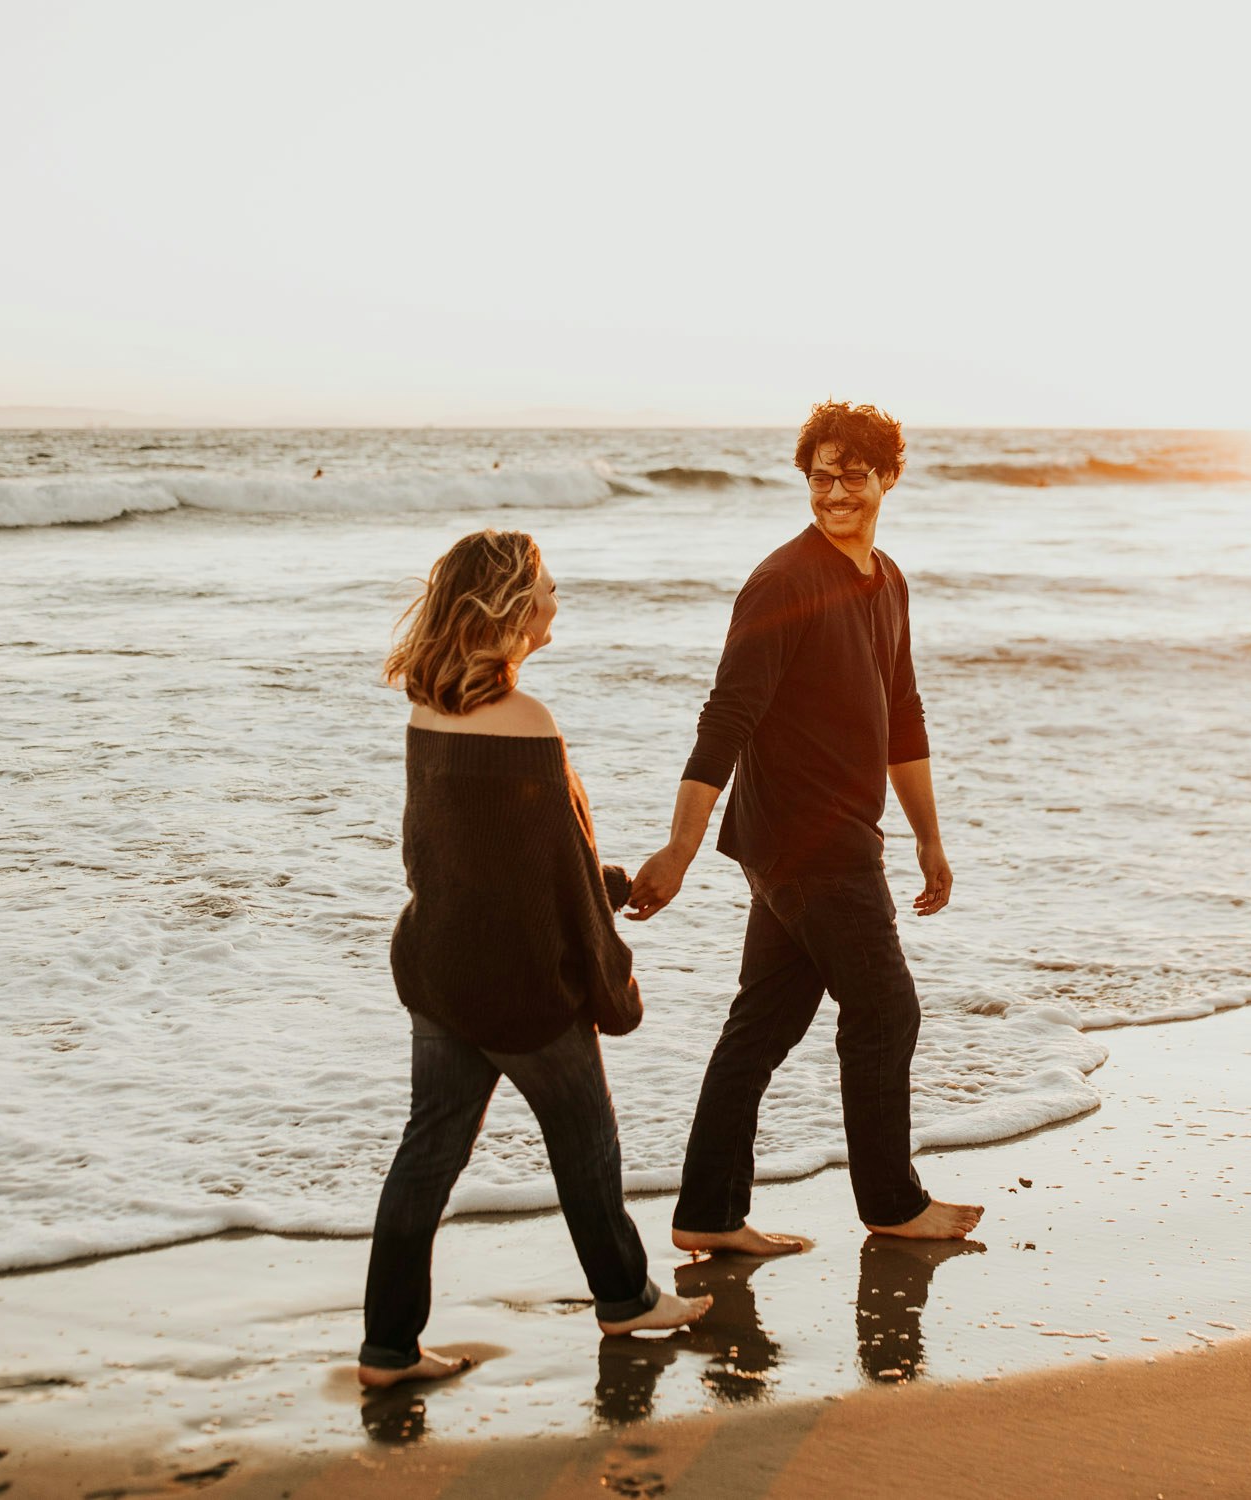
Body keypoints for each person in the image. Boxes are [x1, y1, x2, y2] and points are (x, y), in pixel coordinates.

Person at [359, 528, 712, 1390]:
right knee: (587, 1147)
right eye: (547, 587)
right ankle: (626, 1299)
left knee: (427, 1155)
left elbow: (458, 856)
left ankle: (387, 1348)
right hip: (520, 986)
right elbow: (558, 877)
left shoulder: (427, 710)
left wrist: (603, 883)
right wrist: (614, 941)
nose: (557, 600)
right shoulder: (527, 721)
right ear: (512, 605)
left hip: (439, 970)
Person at [630, 401, 984, 1253]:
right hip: (807, 841)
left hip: (819, 837)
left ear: (888, 477)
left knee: (762, 1027)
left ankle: (708, 1214)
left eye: (853, 476)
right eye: (821, 477)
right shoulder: (783, 582)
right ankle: (891, 1203)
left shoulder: (886, 579)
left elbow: (902, 713)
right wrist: (680, 846)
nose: (835, 493)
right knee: (886, 1011)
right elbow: (727, 717)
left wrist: (930, 836)